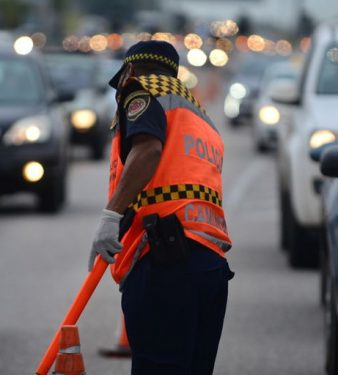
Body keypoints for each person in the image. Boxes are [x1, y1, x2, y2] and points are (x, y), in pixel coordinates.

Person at [88, 40, 234, 375]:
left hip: (164, 263)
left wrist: (111, 215)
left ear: (130, 70)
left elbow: (148, 151)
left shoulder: (142, 91)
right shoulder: (199, 117)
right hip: (210, 265)